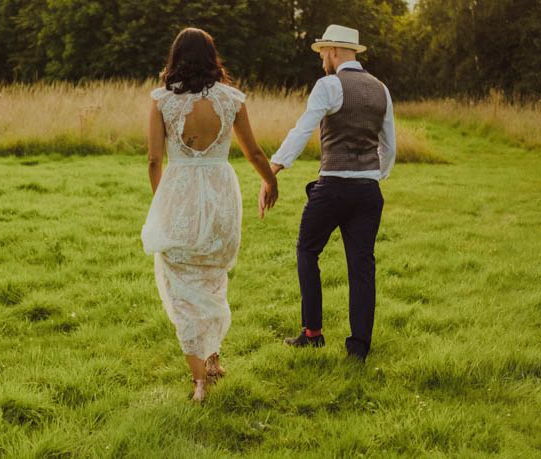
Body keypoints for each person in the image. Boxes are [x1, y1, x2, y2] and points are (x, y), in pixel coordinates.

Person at [142, 27, 278, 402]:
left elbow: (155, 159)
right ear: (211, 58)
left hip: (180, 195)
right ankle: (213, 361)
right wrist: (271, 183)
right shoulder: (232, 99)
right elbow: (254, 153)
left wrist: (161, 203)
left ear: (175, 59)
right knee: (213, 278)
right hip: (220, 196)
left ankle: (199, 379)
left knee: (181, 286)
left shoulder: (161, 102)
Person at [259, 24, 395, 361]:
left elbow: (302, 129)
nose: (322, 62)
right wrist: (372, 176)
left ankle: (312, 333)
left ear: (333, 52)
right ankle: (359, 348)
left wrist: (271, 171)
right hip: (368, 190)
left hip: (332, 188)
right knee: (362, 266)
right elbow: (388, 146)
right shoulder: (381, 90)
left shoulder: (329, 85)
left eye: (323, 55)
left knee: (307, 250)